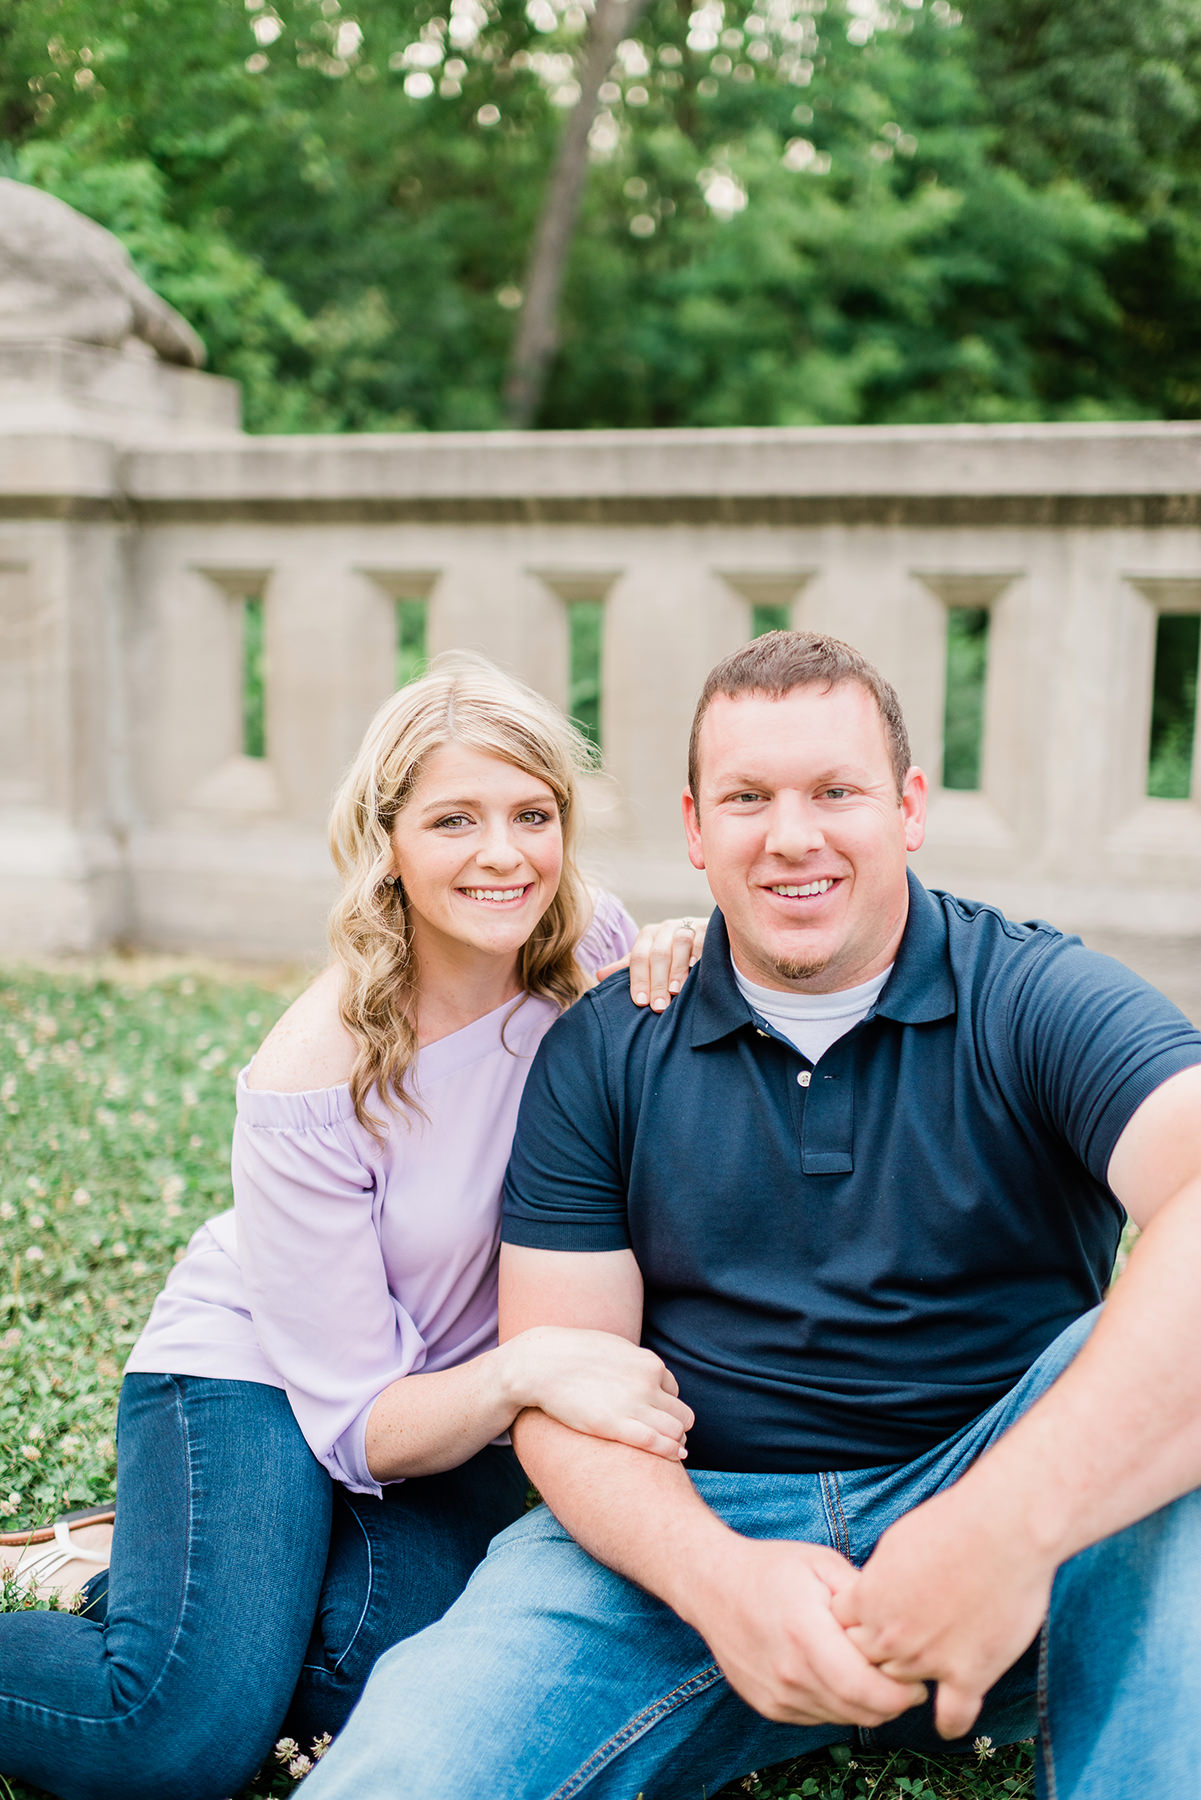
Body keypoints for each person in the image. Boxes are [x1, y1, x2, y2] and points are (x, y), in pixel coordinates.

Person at [302, 629, 1201, 1800]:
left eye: (835, 791)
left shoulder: (1032, 996)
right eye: (746, 799)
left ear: (909, 807)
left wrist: (1004, 1527)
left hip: (1011, 1496)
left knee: (1148, 1379)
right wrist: (721, 1585)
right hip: (689, 1530)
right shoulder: (607, 1045)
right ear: (692, 828)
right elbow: (565, 1378)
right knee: (415, 1766)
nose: (792, 837)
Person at [0, 654, 704, 1800]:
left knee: (385, 1684)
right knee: (172, 1740)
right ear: (386, 840)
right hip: (273, 1381)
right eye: (454, 820)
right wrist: (527, 1372)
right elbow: (362, 1424)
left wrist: (688, 954)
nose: (503, 855)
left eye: (534, 815)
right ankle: (175, 1605)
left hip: (456, 1413)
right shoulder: (310, 1076)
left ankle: (153, 1578)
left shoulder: (592, 949)